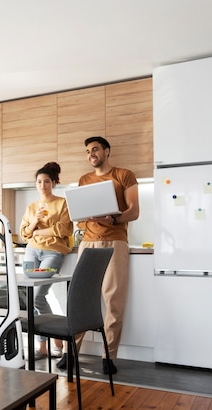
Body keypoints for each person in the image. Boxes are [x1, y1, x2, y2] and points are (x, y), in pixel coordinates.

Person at [56, 136, 139, 374]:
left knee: (113, 301)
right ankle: (70, 353)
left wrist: (112, 218)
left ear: (106, 151)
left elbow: (134, 211)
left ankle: (109, 357)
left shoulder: (124, 175)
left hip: (115, 241)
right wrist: (85, 219)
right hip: (88, 243)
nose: (91, 154)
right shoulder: (84, 180)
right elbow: (80, 219)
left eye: (95, 149)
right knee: (80, 299)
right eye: (87, 151)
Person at [19, 162, 73, 359]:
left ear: (54, 183)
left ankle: (55, 341)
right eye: (39, 182)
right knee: (31, 293)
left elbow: (63, 230)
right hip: (32, 251)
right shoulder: (32, 206)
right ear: (36, 184)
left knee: (37, 296)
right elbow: (24, 234)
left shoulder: (62, 204)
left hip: (52, 252)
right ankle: (45, 346)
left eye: (47, 181)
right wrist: (35, 220)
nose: (43, 185)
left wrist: (37, 230)